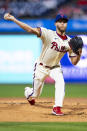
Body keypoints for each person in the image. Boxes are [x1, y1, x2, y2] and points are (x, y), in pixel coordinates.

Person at [4, 13, 82, 116]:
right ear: (55, 23)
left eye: (64, 22)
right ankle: (28, 93)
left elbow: (74, 62)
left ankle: (57, 108)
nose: (62, 24)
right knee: (35, 94)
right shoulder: (48, 33)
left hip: (55, 67)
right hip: (41, 67)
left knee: (61, 82)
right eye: (60, 21)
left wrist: (79, 53)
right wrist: (14, 19)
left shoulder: (70, 42)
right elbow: (30, 30)